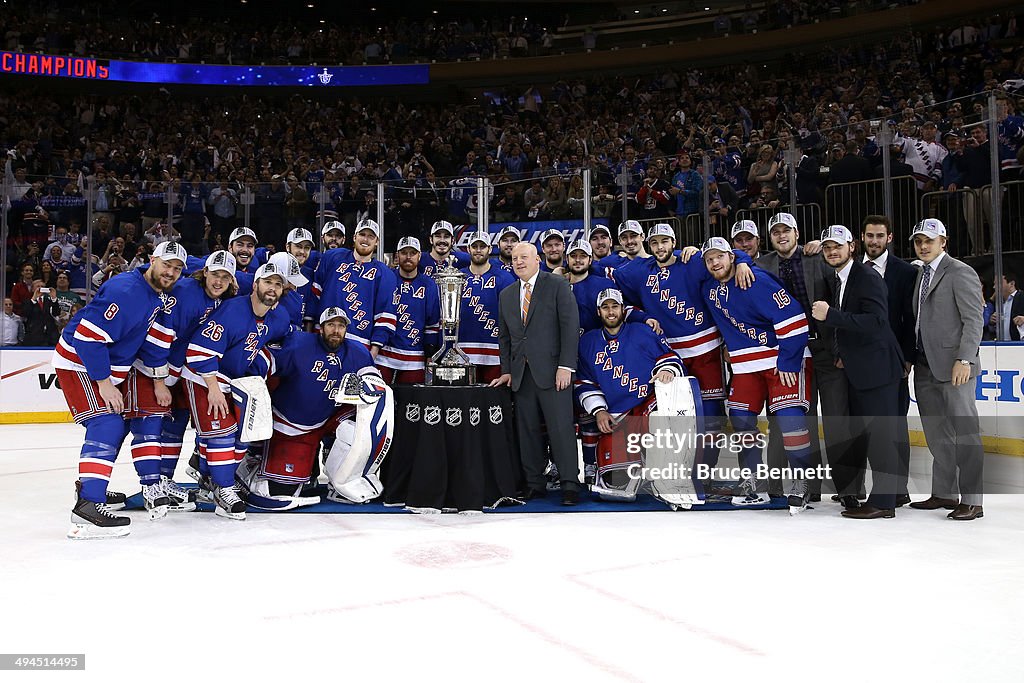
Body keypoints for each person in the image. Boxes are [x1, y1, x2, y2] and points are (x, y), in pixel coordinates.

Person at [53, 241, 187, 539]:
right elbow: (88, 339)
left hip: (102, 365)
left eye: (177, 268)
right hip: (80, 362)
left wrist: (157, 379)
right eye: (167, 264)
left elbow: (147, 343)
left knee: (119, 423)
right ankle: (89, 505)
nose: (172, 272)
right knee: (107, 422)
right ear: (152, 259)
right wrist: (103, 383)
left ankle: (90, 488)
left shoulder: (154, 294)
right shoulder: (126, 290)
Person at [236, 307, 393, 508]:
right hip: (290, 424)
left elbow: (374, 383)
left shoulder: (357, 351)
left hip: (328, 417)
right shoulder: (298, 344)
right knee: (279, 491)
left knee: (361, 423)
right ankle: (251, 462)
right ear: (321, 327)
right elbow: (260, 362)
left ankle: (345, 479)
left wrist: (365, 385)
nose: (336, 330)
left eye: (341, 326)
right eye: (331, 325)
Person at [701, 236, 815, 514]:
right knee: (740, 420)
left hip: (781, 359)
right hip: (745, 366)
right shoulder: (709, 289)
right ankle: (752, 478)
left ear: (731, 256)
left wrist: (788, 361)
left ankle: (801, 481)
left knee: (790, 421)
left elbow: (796, 321)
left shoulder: (756, 280)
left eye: (721, 256)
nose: (715, 262)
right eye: (709, 259)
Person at [180, 261, 291, 520]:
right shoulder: (232, 311)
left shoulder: (278, 316)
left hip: (235, 380)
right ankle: (224, 489)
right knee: (222, 433)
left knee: (245, 433)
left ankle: (211, 477)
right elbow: (199, 351)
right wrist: (213, 388)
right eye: (267, 282)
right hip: (202, 376)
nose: (272, 288)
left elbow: (281, 341)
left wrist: (261, 363)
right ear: (255, 285)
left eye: (277, 284)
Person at [810, 226, 903, 518]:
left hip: (878, 368)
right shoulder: (839, 278)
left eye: (837, 246)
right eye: (827, 248)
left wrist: (831, 316)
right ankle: (890, 497)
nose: (832, 252)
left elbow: (876, 322)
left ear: (852, 246)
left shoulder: (866, 277)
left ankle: (884, 503)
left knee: (881, 436)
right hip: (862, 368)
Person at [575, 288, 694, 503]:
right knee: (615, 482)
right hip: (616, 416)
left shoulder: (642, 332)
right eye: (605, 307)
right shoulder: (588, 343)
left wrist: (666, 369)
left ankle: (669, 477)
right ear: (598, 312)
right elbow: (584, 383)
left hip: (645, 406)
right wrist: (599, 410)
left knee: (663, 416)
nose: (610, 312)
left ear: (623, 309)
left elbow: (671, 357)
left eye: (614, 306)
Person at [756, 212, 839, 501]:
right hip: (785, 352)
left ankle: (820, 489)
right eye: (776, 231)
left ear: (797, 232)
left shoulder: (817, 257)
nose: (782, 236)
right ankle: (776, 486)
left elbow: (842, 281)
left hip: (822, 349)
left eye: (786, 230)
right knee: (785, 418)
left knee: (826, 417)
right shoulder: (760, 265)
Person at [492, 241, 581, 505]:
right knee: (527, 430)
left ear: (537, 260)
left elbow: (569, 326)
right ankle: (534, 483)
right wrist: (507, 371)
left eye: (524, 257)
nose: (518, 261)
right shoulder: (506, 294)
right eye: (514, 258)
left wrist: (566, 366)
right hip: (522, 374)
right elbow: (505, 338)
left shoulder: (557, 286)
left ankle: (569, 484)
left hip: (555, 372)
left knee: (560, 428)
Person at [907, 219, 985, 520]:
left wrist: (965, 359)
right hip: (925, 366)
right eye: (918, 241)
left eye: (929, 240)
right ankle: (944, 493)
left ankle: (974, 500)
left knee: (965, 433)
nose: (923, 246)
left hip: (955, 368)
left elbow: (973, 320)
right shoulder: (919, 274)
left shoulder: (960, 272)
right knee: (937, 435)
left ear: (944, 241)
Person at [155, 250, 239, 508]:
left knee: (178, 421)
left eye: (225, 277)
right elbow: (161, 337)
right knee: (163, 425)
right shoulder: (187, 294)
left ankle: (167, 479)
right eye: (215, 275)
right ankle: (157, 482)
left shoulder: (218, 297)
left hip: (182, 370)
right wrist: (161, 380)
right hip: (162, 367)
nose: (218, 282)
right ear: (205, 273)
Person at [861, 215, 918, 505]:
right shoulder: (853, 269)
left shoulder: (905, 272)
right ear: (862, 237)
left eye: (879, 236)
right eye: (870, 236)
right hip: (862, 362)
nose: (874, 241)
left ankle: (898, 488)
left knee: (895, 424)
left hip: (894, 360)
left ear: (890, 238)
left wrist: (907, 356)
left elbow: (910, 319)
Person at [313, 218, 398, 356]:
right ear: (354, 237)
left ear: (377, 242)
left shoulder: (385, 274)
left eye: (371, 236)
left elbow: (384, 315)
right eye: (362, 234)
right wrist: (310, 332)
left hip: (359, 344)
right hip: (322, 338)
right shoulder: (332, 257)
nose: (366, 239)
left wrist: (374, 351)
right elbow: (315, 296)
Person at [378, 236, 440, 384]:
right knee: (379, 400)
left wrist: (429, 354)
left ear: (419, 256)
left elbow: (432, 323)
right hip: (384, 354)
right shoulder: (386, 278)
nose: (408, 257)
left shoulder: (429, 285)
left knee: (411, 404)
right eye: (404, 252)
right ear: (397, 256)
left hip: (414, 357)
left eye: (412, 253)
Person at [459, 232, 516, 383]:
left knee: (493, 402)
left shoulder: (505, 278)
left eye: (482, 246)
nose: (478, 250)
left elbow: (512, 318)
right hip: (462, 352)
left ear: (490, 249)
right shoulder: (457, 277)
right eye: (474, 246)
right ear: (468, 249)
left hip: (495, 353)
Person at [21, 280, 62, 346]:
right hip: (33, 337)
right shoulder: (27, 301)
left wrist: (54, 298)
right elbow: (25, 313)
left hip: (50, 337)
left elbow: (56, 313)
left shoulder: (49, 301)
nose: (40, 288)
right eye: (38, 287)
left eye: (42, 286)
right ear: (33, 289)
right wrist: (34, 299)